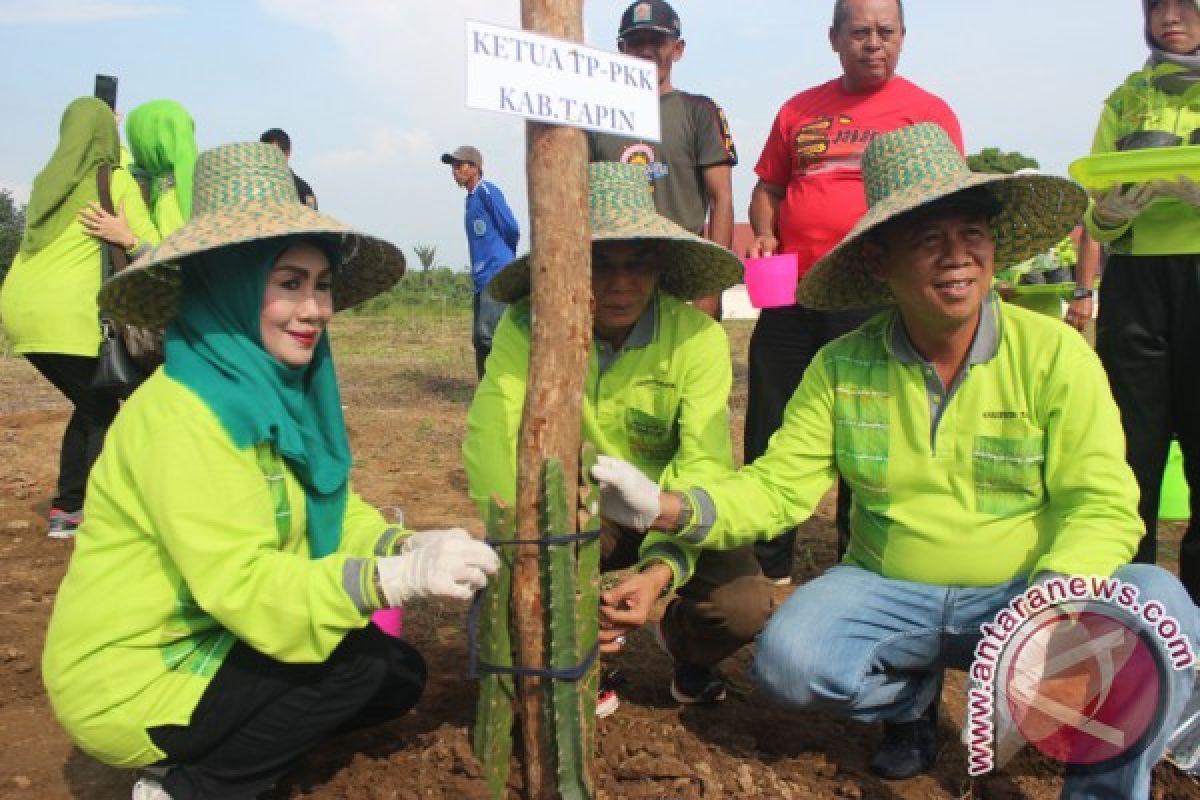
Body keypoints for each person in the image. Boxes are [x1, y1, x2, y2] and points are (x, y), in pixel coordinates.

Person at [593, 124, 1199, 795]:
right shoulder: (841, 366)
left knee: (1158, 603)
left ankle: (1102, 785)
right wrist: (669, 507)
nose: (957, 256)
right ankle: (908, 708)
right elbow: (777, 488)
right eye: (928, 239)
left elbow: (1103, 504)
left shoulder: (1055, 355)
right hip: (888, 590)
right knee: (789, 662)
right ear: (880, 262)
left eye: (972, 233)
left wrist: (1046, 609)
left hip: (1022, 589)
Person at [40, 141, 499, 800]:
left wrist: (406, 545)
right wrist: (390, 580)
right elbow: (247, 586)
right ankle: (189, 787)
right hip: (138, 668)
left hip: (216, 631)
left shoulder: (274, 392)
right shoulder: (181, 414)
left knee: (393, 673)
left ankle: (232, 741)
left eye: (321, 286)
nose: (314, 309)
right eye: (288, 283)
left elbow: (328, 511)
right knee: (352, 667)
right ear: (227, 284)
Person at [463, 162, 773, 714]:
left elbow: (703, 464)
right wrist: (537, 556)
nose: (620, 283)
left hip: (664, 507)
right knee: (503, 586)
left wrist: (661, 570)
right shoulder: (525, 327)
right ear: (566, 265)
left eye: (637, 263)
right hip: (572, 508)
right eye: (598, 264)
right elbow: (494, 435)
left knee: (742, 603)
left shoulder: (696, 339)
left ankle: (685, 647)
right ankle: (573, 662)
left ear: (660, 265)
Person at [744, 0, 963, 584]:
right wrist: (764, 232)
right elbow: (768, 187)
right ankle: (766, 568)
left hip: (876, 295)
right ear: (834, 38)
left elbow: (946, 203)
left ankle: (857, 565)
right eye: (860, 31)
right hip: (794, 293)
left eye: (886, 32)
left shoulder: (928, 114)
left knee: (868, 426)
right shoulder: (799, 109)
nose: (874, 43)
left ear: (903, 37)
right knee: (771, 420)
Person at [1082, 0, 1200, 602]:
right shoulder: (1127, 98)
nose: (1170, 17)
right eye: (1159, 6)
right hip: (1135, 285)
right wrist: (1106, 212)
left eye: (1186, 5)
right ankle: (1134, 610)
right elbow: (1095, 198)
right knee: (1132, 451)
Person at [0, 96, 160, 537]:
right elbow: (154, 247)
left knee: (91, 403)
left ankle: (69, 508)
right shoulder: (115, 183)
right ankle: (95, 513)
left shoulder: (47, 181)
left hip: (21, 314)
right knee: (106, 406)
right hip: (69, 318)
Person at [587, 0, 737, 319]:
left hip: (682, 272)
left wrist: (712, 287)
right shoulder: (596, 116)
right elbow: (578, 198)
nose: (645, 50)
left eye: (657, 41)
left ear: (677, 48)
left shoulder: (698, 111)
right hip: (617, 276)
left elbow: (721, 198)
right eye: (636, 41)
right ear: (621, 48)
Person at [440, 144, 521, 378]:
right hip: (480, 277)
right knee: (480, 338)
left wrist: (504, 258)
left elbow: (512, 228)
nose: (454, 171)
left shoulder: (487, 192)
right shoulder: (470, 200)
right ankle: (485, 389)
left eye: (458, 165)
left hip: (495, 272)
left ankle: (500, 386)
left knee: (489, 336)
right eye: (452, 166)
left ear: (474, 167)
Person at [260, 127, 318, 209]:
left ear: (287, 153)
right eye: (265, 154)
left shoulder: (303, 191)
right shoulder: (256, 188)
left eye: (273, 154)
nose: (269, 158)